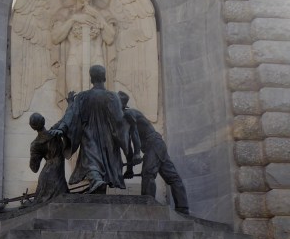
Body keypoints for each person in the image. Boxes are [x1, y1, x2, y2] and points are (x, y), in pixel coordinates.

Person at [51, 65, 128, 194]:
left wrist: (63, 128)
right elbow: (119, 120)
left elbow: (72, 115)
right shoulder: (113, 97)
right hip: (108, 137)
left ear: (91, 79)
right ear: (104, 78)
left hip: (89, 134)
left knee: (91, 159)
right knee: (99, 162)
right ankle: (97, 181)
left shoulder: (82, 97)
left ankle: (97, 180)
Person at [118, 91, 190, 215]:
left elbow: (134, 133)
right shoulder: (125, 116)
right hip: (156, 144)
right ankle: (182, 208)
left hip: (154, 144)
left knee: (148, 174)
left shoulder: (128, 114)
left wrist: (137, 154)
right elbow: (128, 143)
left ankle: (148, 206)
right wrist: (129, 168)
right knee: (171, 175)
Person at [50, 0, 116, 103]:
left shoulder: (103, 13)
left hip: (96, 58)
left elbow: (110, 38)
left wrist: (97, 15)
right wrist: (74, 19)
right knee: (74, 100)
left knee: (98, 101)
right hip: (74, 58)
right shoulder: (65, 13)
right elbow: (56, 37)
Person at [28, 112, 69, 201]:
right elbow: (66, 118)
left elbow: (34, 168)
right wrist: (70, 103)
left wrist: (34, 154)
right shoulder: (55, 132)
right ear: (43, 120)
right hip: (56, 175)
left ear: (32, 127)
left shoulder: (35, 144)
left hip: (47, 176)